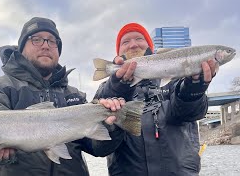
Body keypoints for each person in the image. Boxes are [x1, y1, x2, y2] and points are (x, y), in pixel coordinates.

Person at [0, 17, 124, 176]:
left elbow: (97, 148)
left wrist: (111, 127)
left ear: (58, 51)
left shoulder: (74, 96)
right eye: (36, 39)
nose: (46, 45)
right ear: (21, 48)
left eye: (52, 41)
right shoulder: (0, 89)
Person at [93, 23, 217, 176]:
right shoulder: (106, 91)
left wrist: (193, 89)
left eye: (139, 38)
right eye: (125, 42)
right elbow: (98, 146)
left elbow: (189, 113)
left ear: (150, 46)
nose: (133, 44)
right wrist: (118, 88)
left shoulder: (176, 79)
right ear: (118, 53)